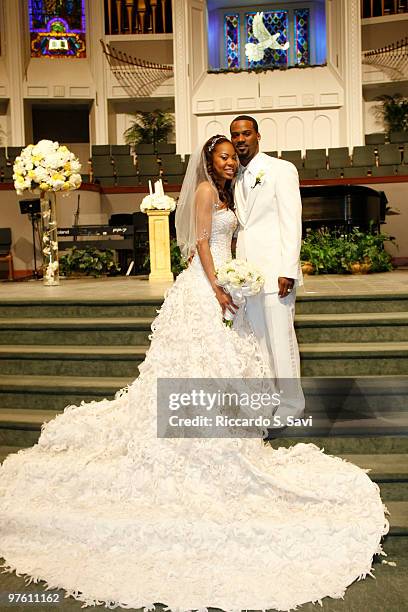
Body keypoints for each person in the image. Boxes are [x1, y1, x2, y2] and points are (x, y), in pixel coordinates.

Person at [0, 136, 387, 612]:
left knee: (231, 359)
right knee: (202, 357)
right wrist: (218, 288)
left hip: (229, 281)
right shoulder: (206, 192)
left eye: (231, 156)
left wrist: (235, 277)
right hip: (210, 288)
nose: (229, 161)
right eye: (222, 156)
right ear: (208, 161)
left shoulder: (231, 191)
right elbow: (202, 245)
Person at [230, 115, 305, 421]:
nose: (240, 139)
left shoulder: (280, 170)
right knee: (260, 341)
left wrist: (288, 268)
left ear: (258, 136)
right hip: (249, 275)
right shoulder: (234, 176)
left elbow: (291, 221)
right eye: (235, 135)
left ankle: (292, 406)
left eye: (246, 133)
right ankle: (272, 401)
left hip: (276, 273)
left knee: (281, 340)